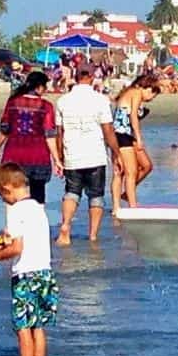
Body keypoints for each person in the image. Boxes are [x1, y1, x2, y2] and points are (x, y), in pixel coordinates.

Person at [0, 163, 59, 356]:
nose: (4, 201)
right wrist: (1, 242)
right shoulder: (38, 208)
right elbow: (24, 238)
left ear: (7, 189)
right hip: (45, 273)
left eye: (2, 196)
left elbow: (17, 248)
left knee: (23, 327)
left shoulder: (15, 210)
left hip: (25, 275)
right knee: (38, 326)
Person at [55, 67, 123, 244]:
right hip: (95, 154)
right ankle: (93, 235)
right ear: (92, 77)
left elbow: (59, 132)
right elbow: (108, 130)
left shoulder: (63, 101)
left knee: (71, 192)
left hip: (72, 153)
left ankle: (66, 225)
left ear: (75, 77)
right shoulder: (100, 100)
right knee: (96, 195)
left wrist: (60, 156)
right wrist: (116, 153)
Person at [0, 71, 62, 205]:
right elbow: (49, 135)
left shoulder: (13, 102)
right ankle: (37, 224)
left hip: (14, 155)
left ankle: (13, 225)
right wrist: (57, 160)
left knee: (12, 196)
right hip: (38, 156)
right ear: (39, 87)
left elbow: (4, 129)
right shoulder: (46, 106)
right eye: (45, 87)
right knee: (38, 195)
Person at [110, 74, 161, 214]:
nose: (151, 99)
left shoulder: (130, 93)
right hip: (121, 135)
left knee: (146, 165)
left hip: (126, 134)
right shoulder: (136, 92)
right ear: (148, 88)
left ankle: (126, 195)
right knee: (128, 172)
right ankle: (129, 207)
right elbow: (132, 116)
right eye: (153, 95)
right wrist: (139, 138)